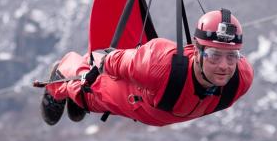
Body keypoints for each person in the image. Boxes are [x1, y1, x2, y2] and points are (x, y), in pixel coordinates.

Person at [41, 9, 253, 127]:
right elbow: (108, 60)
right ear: (196, 50)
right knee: (89, 93)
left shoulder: (241, 79)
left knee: (88, 100)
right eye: (214, 55)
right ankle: (63, 73)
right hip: (134, 97)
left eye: (232, 56)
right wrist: (92, 71)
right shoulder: (159, 65)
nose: (224, 66)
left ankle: (78, 96)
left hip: (159, 107)